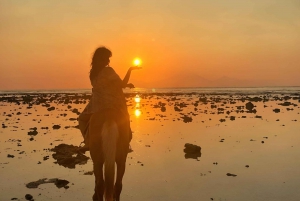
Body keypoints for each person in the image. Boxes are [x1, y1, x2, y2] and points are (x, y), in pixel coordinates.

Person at [78, 46, 140, 152]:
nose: (108, 61)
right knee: (125, 119)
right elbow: (121, 84)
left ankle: (87, 142)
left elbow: (105, 86)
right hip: (114, 104)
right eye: (106, 58)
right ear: (101, 59)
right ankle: (126, 143)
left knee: (82, 119)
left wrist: (125, 85)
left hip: (97, 105)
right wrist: (130, 70)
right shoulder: (109, 71)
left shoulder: (93, 73)